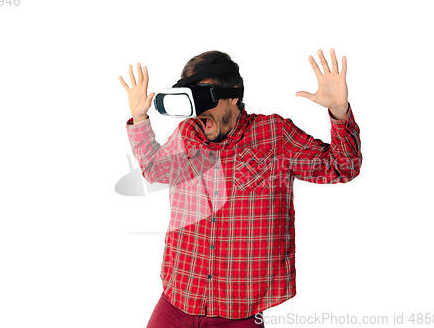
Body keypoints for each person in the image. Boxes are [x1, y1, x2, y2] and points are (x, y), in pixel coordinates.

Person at [119, 50, 362, 328]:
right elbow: (154, 170)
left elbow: (343, 167)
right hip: (178, 299)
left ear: (233, 96)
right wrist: (139, 118)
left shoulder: (275, 135)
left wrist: (339, 113)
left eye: (204, 98)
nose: (198, 112)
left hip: (240, 312)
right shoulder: (188, 134)